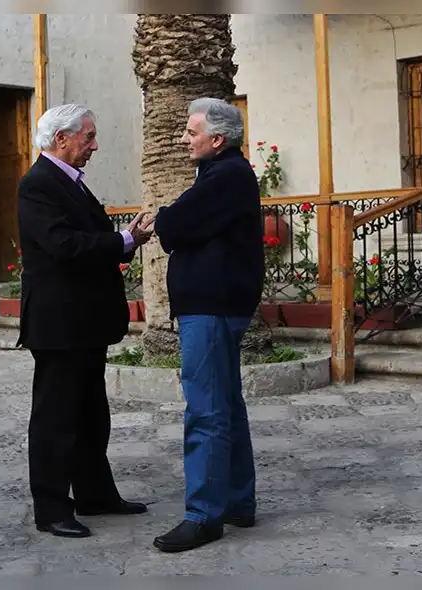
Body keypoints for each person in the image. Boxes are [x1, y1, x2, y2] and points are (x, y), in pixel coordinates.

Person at [16, 103, 154, 538]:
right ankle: (53, 508)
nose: (94, 146)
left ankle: (96, 494)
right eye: (88, 137)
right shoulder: (38, 185)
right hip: (60, 324)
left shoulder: (69, 183)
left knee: (92, 414)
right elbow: (63, 245)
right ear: (62, 139)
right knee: (56, 419)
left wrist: (124, 241)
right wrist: (123, 239)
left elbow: (89, 239)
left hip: (85, 322)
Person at [150, 97, 264, 553]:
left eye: (191, 131)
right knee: (226, 405)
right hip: (215, 306)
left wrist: (162, 219)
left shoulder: (228, 176)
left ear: (217, 139)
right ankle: (237, 501)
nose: (183, 138)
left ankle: (203, 515)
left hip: (212, 308)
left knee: (206, 411)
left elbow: (174, 225)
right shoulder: (222, 175)